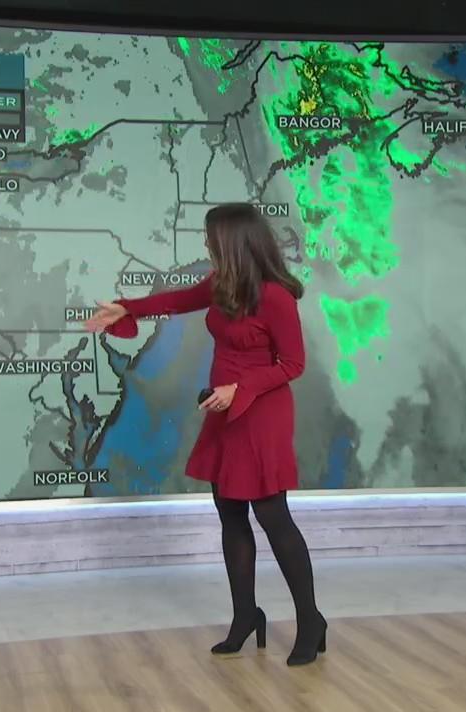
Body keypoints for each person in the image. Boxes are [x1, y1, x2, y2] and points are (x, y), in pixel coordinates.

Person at [85, 203, 327, 666]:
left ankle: (310, 620)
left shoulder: (275, 296)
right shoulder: (223, 284)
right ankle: (245, 616)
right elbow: (176, 301)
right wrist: (127, 308)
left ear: (232, 243)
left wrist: (241, 388)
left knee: (273, 517)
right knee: (230, 513)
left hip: (261, 411)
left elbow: (293, 364)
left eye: (210, 237)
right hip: (223, 409)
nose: (205, 243)